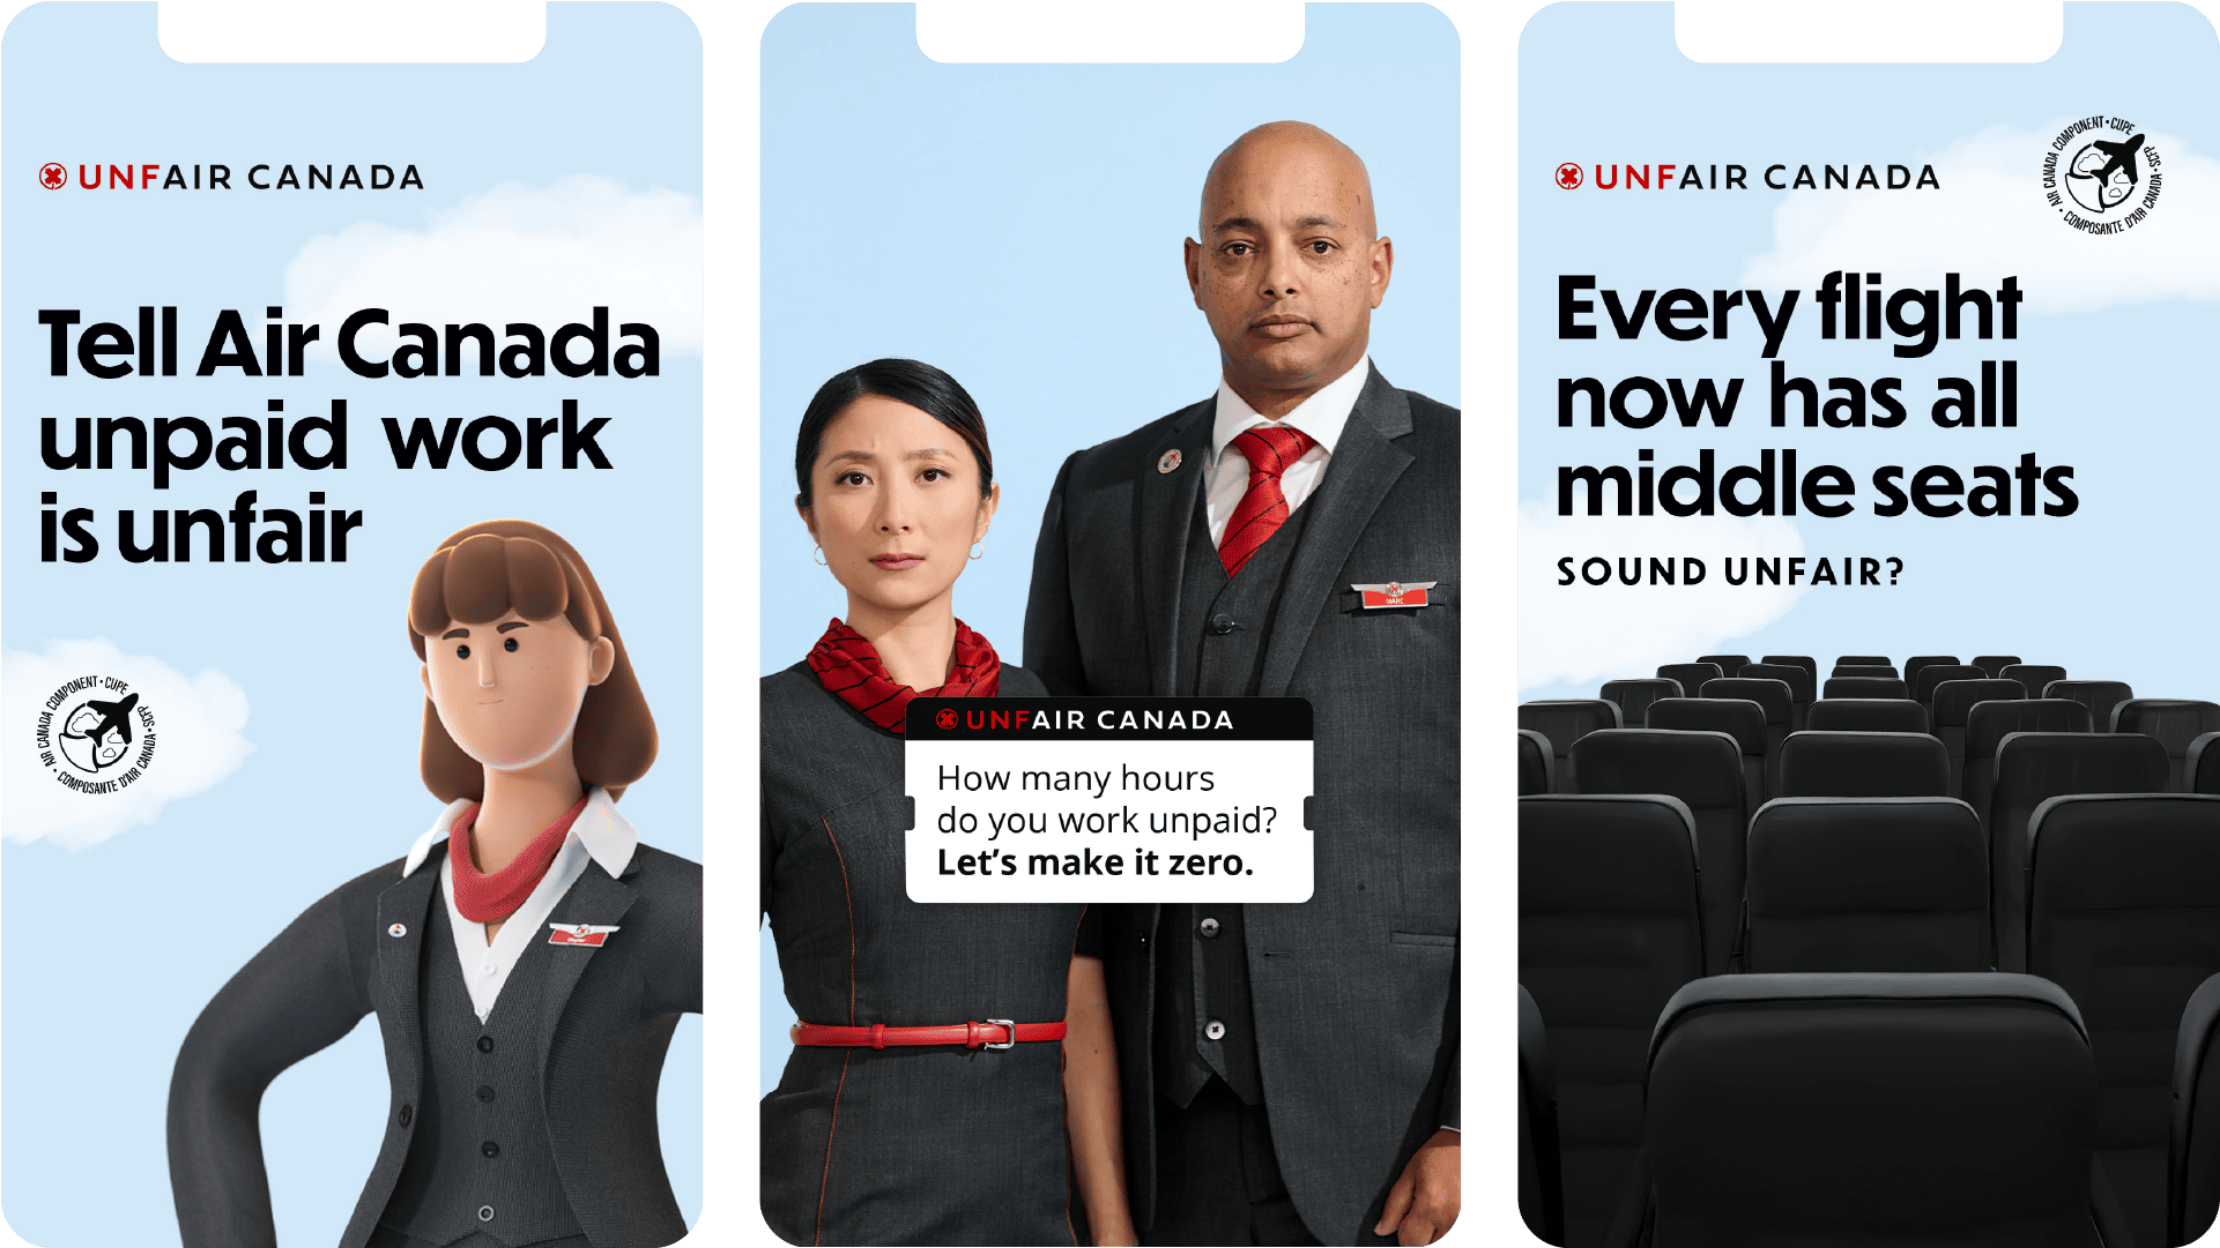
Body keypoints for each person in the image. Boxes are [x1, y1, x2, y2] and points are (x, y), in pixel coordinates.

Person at [1023, 122, 1461, 1246]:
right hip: (1159, 1150)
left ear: (1379, 267)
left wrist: (1475, 1128)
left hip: (1397, 1135)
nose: (1278, 278)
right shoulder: (1100, 495)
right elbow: (1053, 864)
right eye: (1239, 246)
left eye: (1317, 244)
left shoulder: (1479, 478)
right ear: (1195, 273)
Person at [167, 520, 704, 1248]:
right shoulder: (386, 908)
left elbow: (831, 1023)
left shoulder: (666, 906)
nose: (484, 675)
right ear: (428, 676)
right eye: (456, 647)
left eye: (512, 640)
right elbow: (213, 1068)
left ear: (596, 658)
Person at [758, 358, 1137, 1246]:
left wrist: (1112, 1231)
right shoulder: (759, 731)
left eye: (932, 474)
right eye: (853, 479)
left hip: (1033, 1197)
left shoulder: (1046, 718)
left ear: (986, 508)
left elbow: (1080, 987)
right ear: (809, 518)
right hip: (842, 1194)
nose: (895, 514)